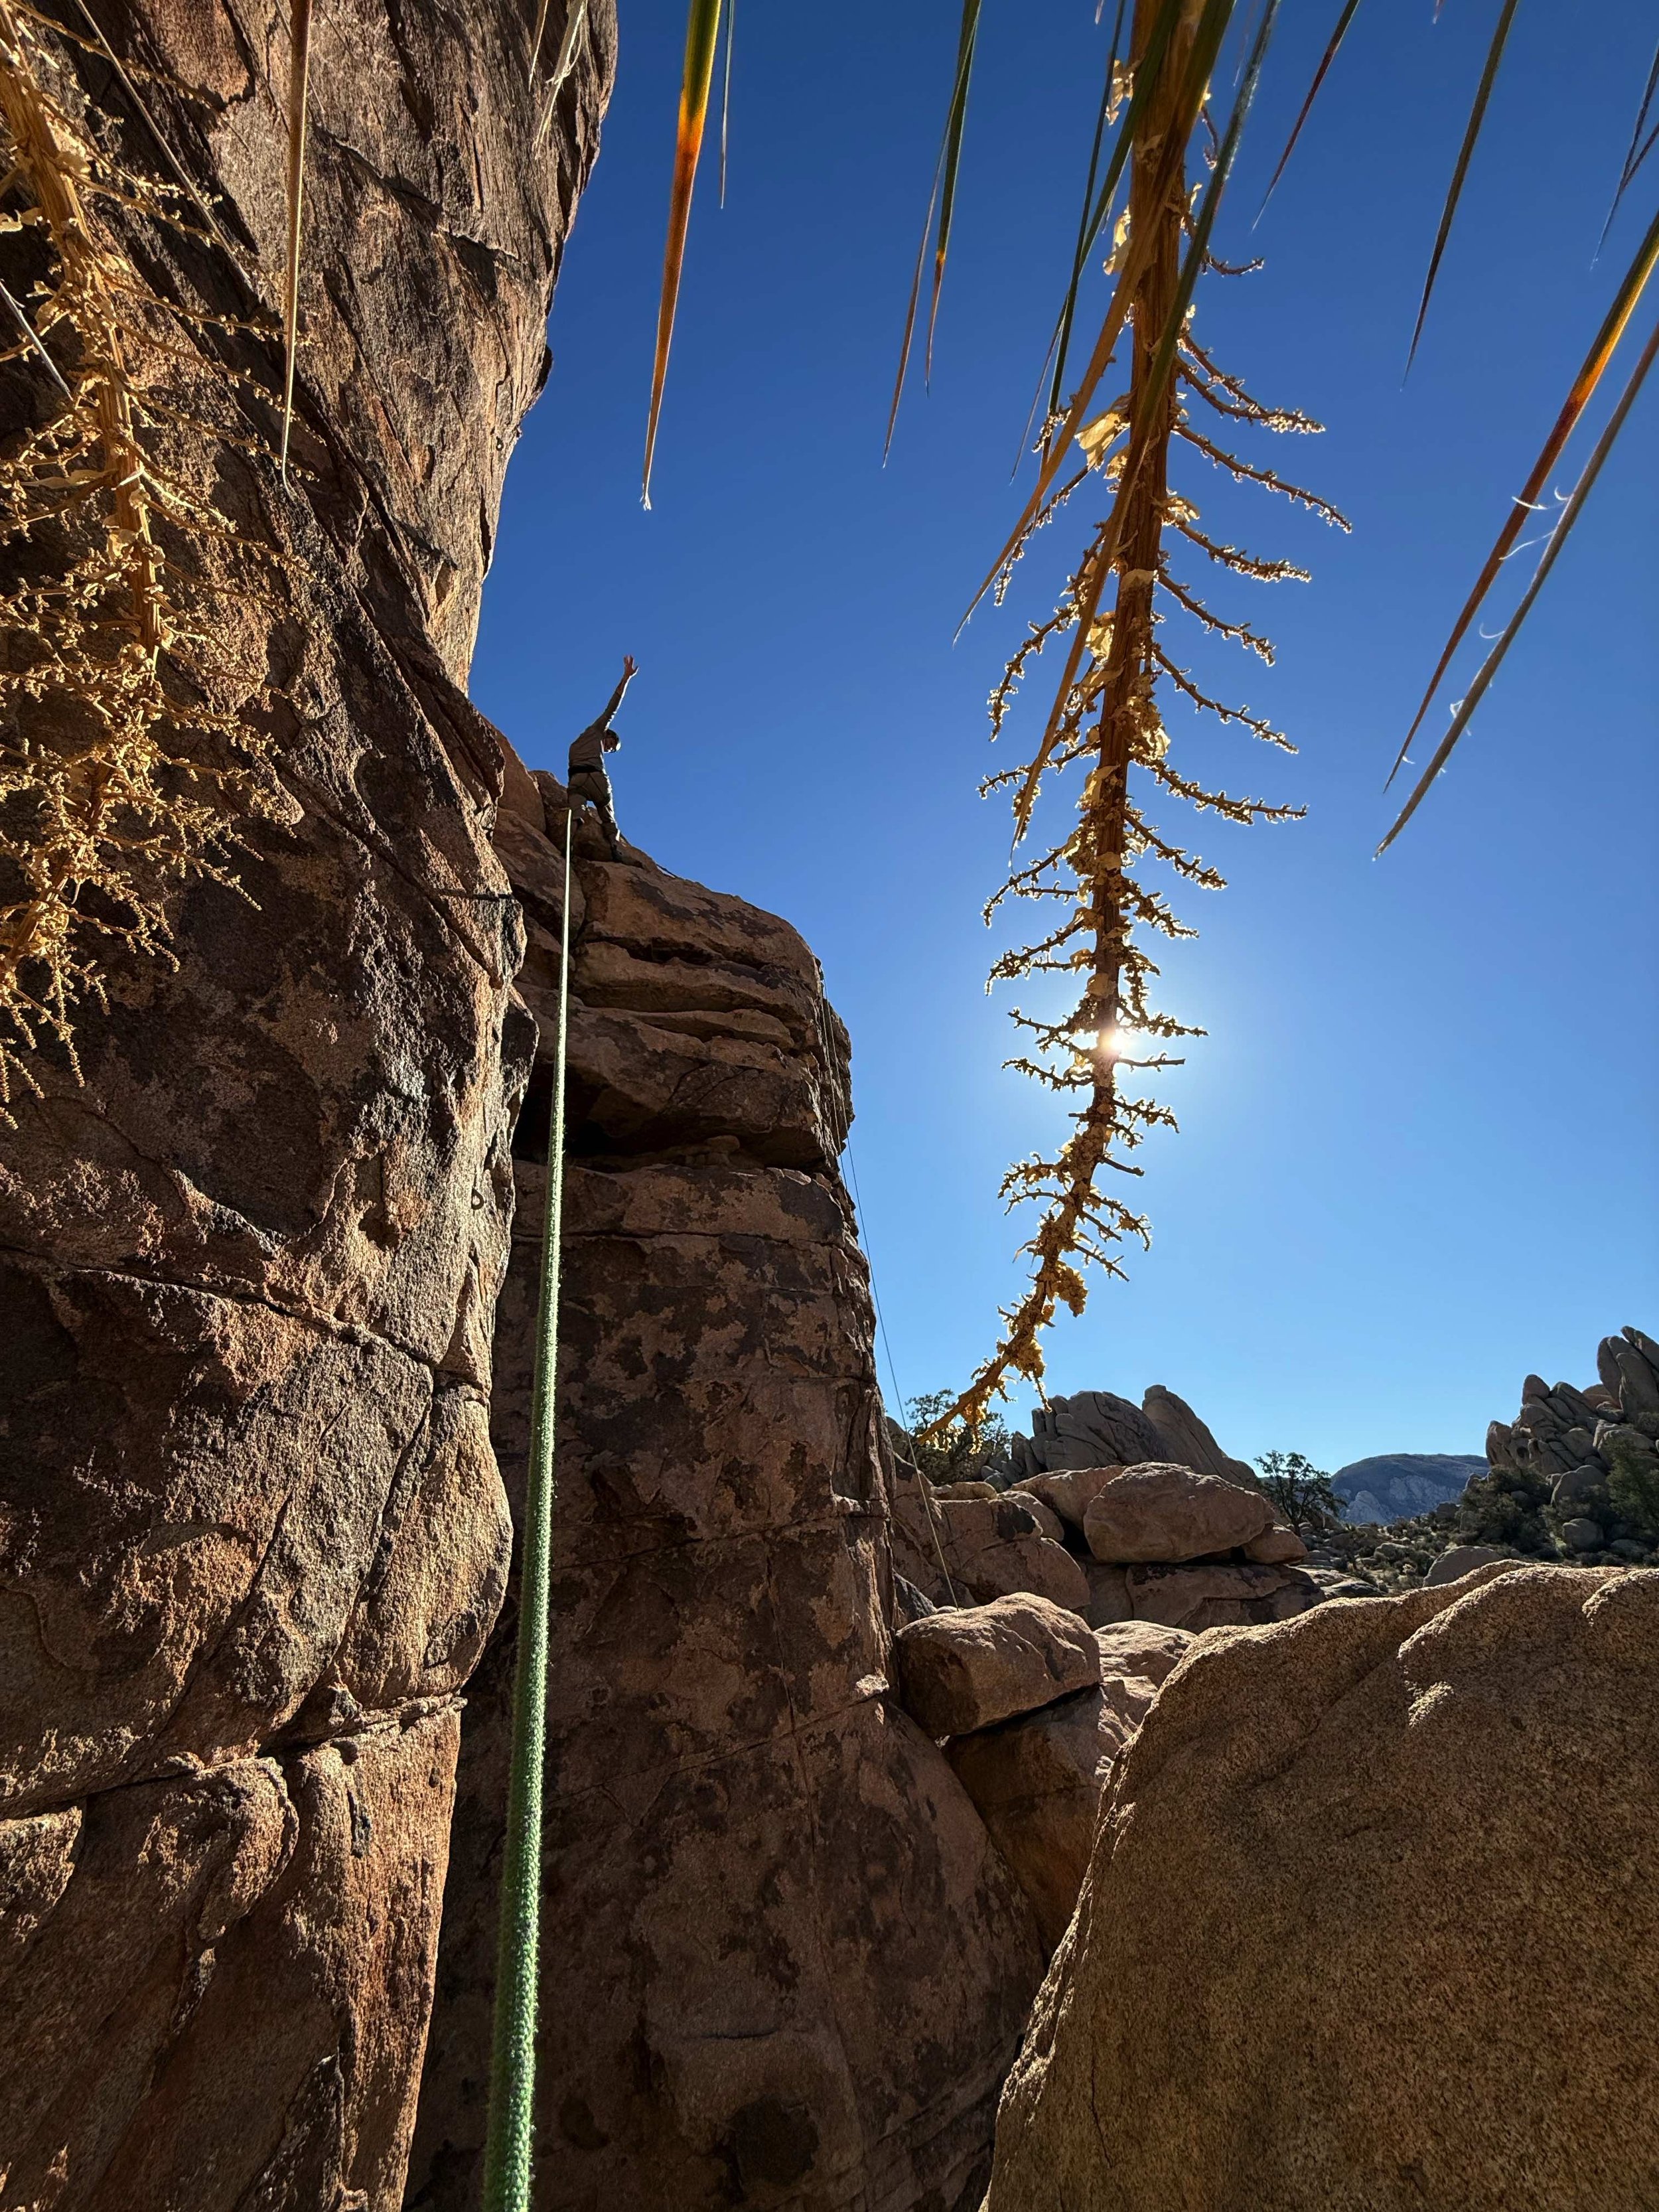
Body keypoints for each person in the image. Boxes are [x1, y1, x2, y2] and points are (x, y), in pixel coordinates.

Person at [566, 656, 636, 856]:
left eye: (611, 750)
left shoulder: (579, 743)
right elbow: (612, 707)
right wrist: (626, 678)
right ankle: (615, 847)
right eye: (611, 744)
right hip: (596, 779)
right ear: (607, 734)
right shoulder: (598, 730)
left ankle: (570, 841)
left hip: (577, 779)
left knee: (576, 810)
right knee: (608, 815)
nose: (608, 749)